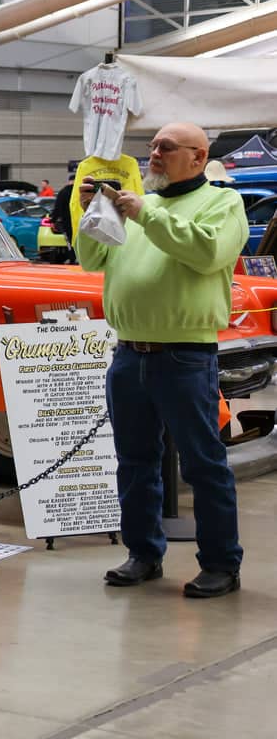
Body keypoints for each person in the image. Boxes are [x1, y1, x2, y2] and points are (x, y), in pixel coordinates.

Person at [75, 122, 245, 598]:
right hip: (129, 352)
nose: (154, 154)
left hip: (185, 354)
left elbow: (208, 253)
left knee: (203, 464)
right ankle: (143, 554)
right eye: (151, 146)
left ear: (198, 156)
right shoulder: (138, 205)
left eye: (166, 147)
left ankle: (221, 564)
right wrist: (95, 213)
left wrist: (144, 213)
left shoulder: (222, 202)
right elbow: (92, 260)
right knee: (133, 461)